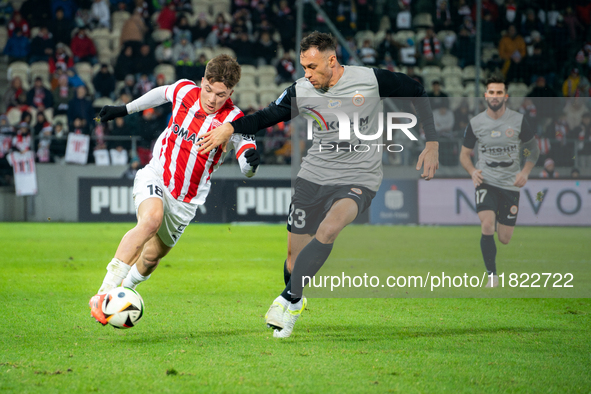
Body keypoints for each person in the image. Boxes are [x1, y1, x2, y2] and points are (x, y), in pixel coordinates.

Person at [197, 32, 439, 338]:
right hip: (313, 176)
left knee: (328, 229)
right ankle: (295, 299)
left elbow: (415, 90)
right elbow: (266, 116)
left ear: (332, 60)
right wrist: (229, 127)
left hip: (359, 177)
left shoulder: (369, 80)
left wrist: (432, 142)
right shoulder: (301, 90)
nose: (307, 74)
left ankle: (287, 301)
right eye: (303, 67)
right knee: (292, 260)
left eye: (312, 67)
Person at [88, 55, 262, 326]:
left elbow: (245, 156)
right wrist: (125, 109)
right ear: (202, 81)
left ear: (230, 93)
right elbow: (160, 94)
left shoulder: (235, 120)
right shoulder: (185, 91)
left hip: (186, 201)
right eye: (208, 90)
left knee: (150, 258)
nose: (213, 99)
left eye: (221, 95)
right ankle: (103, 295)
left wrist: (250, 164)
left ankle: (126, 287)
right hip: (156, 175)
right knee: (150, 220)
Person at [459, 76, 540, 288]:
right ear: (485, 95)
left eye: (499, 93)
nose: (495, 96)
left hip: (510, 185)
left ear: (506, 96)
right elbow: (464, 154)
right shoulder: (476, 123)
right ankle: (492, 276)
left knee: (504, 238)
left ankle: (497, 224)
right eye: (491, 92)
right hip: (485, 181)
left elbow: (534, 149)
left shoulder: (519, 121)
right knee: (487, 224)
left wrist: (525, 172)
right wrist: (472, 171)